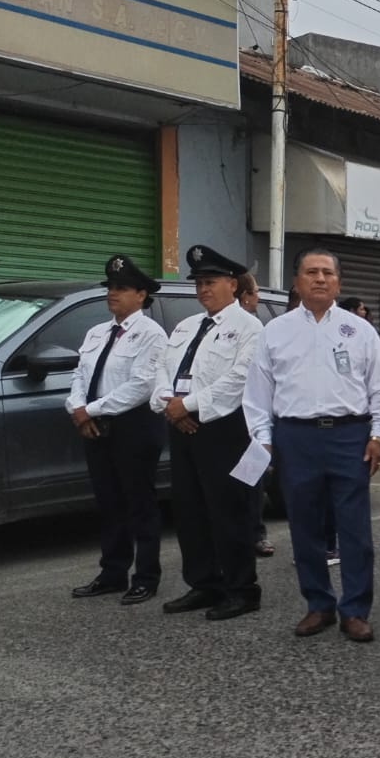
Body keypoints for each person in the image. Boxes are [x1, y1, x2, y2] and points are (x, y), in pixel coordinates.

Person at [244, 248, 380, 642]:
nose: (320, 278)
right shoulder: (275, 332)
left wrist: (378, 436)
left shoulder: (359, 331)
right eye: (312, 272)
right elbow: (257, 394)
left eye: (328, 272)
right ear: (297, 281)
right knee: (304, 526)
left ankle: (355, 610)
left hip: (349, 435)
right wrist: (265, 440)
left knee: (354, 529)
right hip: (296, 437)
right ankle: (318, 604)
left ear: (339, 282)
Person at [154, 245, 265, 621]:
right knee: (189, 510)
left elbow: (240, 379)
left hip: (224, 428)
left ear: (232, 285)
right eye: (199, 283)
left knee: (228, 510)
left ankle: (241, 588)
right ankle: (204, 583)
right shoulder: (186, 327)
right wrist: (169, 405)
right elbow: (162, 371)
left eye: (211, 282)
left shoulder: (249, 327)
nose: (203, 289)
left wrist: (188, 405)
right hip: (182, 427)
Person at [66, 254, 168, 604]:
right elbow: (80, 374)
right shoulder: (97, 332)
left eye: (121, 288)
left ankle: (146, 576)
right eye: (110, 287)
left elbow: (140, 386)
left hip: (134, 426)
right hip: (96, 425)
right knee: (108, 502)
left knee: (139, 503)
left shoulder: (151, 334)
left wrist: (88, 410)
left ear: (141, 295)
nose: (112, 293)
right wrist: (77, 408)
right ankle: (112, 572)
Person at [235, 271, 275, 559]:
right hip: (218, 417)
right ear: (245, 296)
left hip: (249, 417)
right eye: (256, 293)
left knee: (251, 480)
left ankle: (254, 533)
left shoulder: (255, 328)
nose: (258, 299)